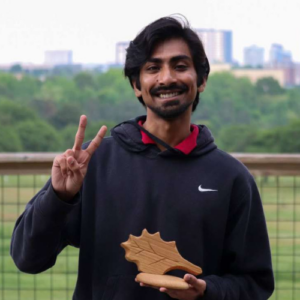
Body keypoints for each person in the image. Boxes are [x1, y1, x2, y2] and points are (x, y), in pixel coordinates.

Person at [11, 16, 274, 300]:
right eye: (153, 68)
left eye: (180, 66)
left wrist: (207, 292)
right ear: (137, 84)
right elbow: (28, 259)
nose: (167, 78)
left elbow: (255, 284)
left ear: (202, 80)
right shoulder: (94, 164)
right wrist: (59, 197)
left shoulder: (231, 178)